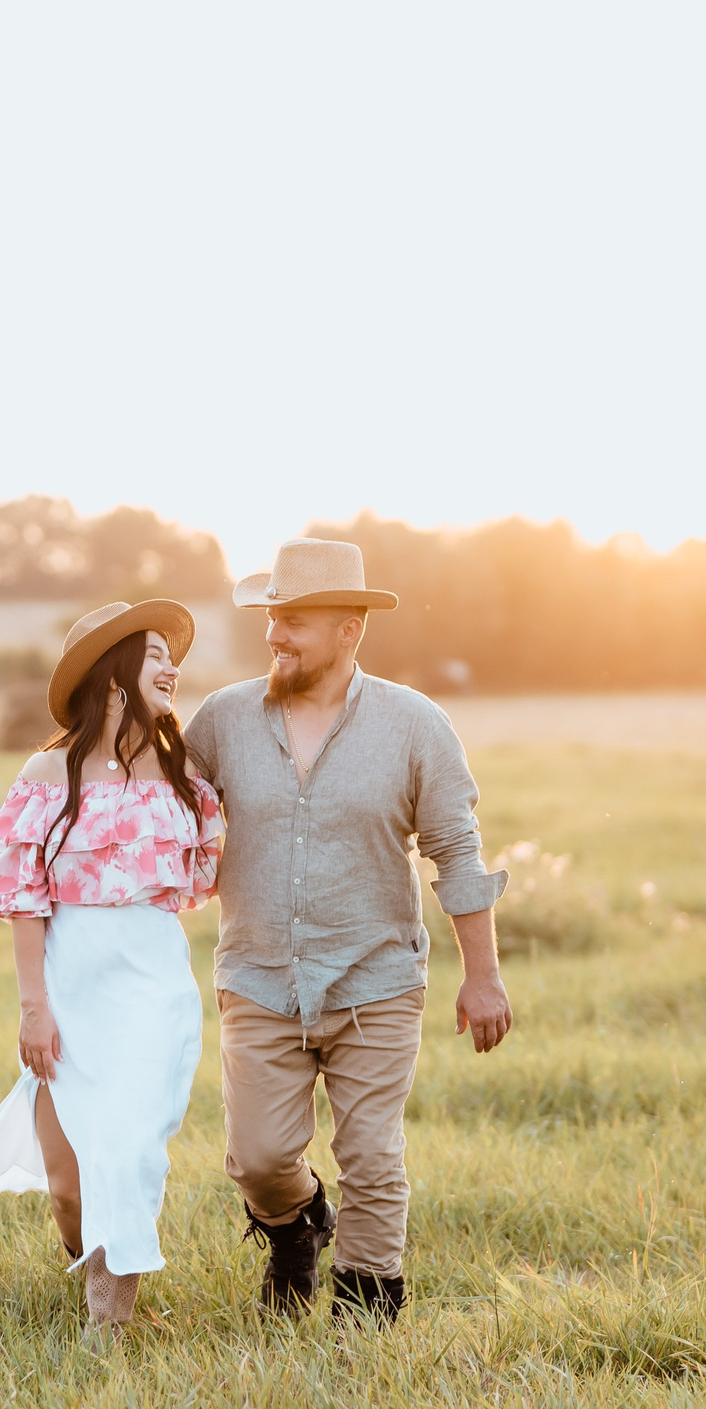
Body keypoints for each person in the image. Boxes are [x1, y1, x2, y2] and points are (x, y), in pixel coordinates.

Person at [182, 538, 512, 1325]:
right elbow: (157, 815)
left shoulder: (414, 725)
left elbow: (455, 851)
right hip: (258, 975)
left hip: (376, 978)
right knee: (258, 1157)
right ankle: (296, 1226)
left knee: (370, 1156)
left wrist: (483, 972)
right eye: (272, 618)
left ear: (349, 629)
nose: (275, 635)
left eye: (294, 620)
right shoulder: (223, 720)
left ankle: (364, 1320)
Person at [0, 600, 224, 1333]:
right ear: (113, 678)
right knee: (69, 1184)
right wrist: (33, 1005)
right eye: (155, 655)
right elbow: (23, 897)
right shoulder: (50, 771)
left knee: (130, 1150)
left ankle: (109, 1320)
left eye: (174, 656)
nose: (173, 667)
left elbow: (206, 877)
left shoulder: (182, 771)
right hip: (70, 985)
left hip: (151, 983)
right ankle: (89, 1262)